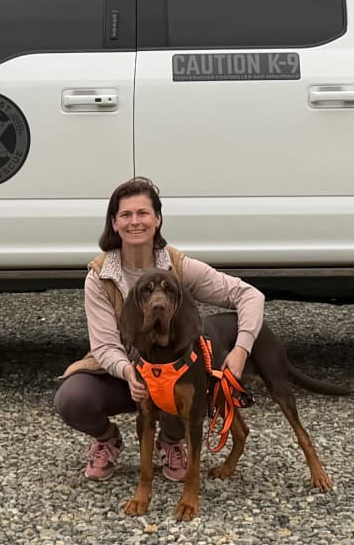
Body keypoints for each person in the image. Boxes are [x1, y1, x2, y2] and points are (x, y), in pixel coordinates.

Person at [54, 176, 265, 481]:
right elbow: (103, 346)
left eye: (143, 213)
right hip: (122, 374)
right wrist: (129, 373)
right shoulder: (99, 276)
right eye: (126, 215)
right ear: (114, 223)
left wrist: (242, 350)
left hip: (171, 375)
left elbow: (249, 295)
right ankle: (107, 439)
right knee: (71, 399)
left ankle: (171, 441)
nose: (135, 221)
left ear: (158, 220)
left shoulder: (178, 267)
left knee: (197, 380)